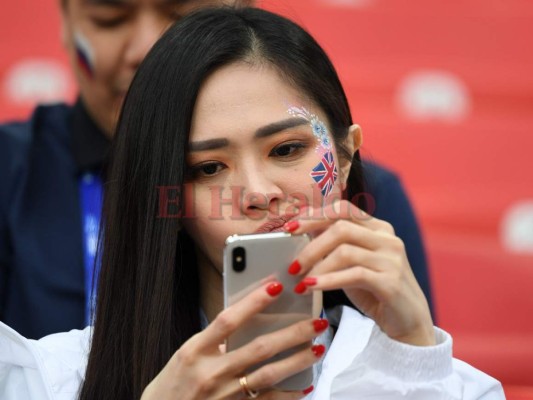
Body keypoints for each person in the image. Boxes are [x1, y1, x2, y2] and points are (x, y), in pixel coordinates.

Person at [0, 7, 502, 400]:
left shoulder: (453, 384)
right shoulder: (48, 379)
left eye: (286, 150)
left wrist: (414, 358)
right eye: (208, 168)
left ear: (345, 157)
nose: (259, 192)